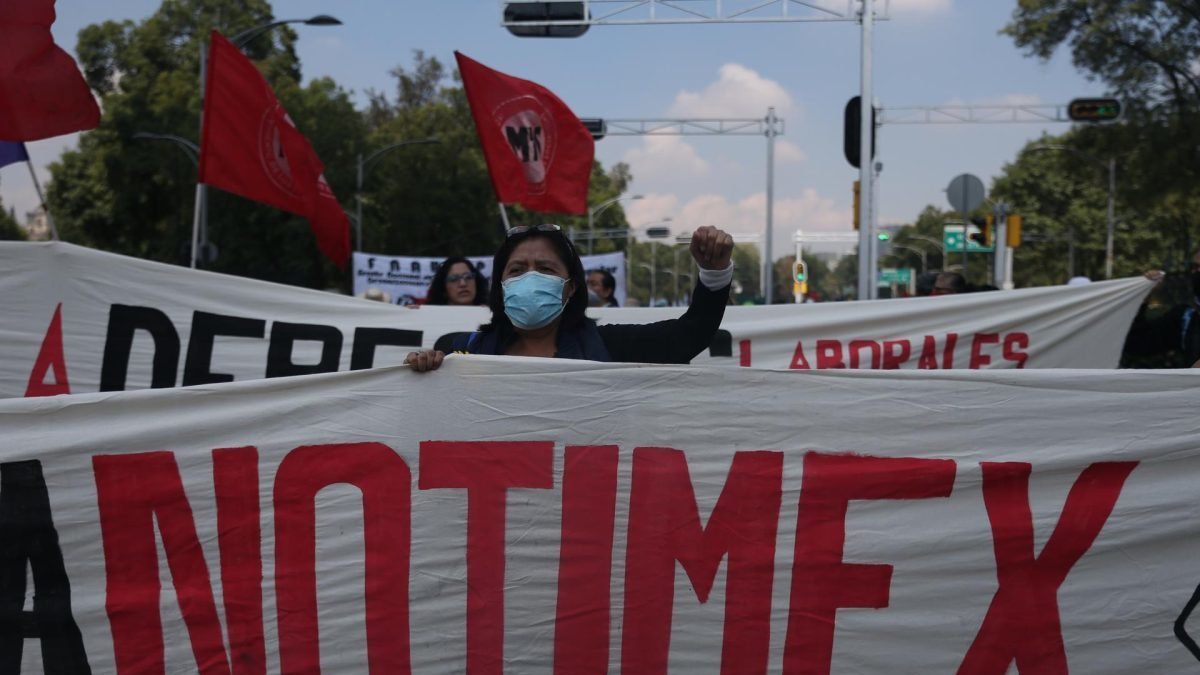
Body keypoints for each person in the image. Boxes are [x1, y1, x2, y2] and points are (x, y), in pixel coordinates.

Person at [405, 224, 734, 371]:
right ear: (500, 285)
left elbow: (688, 336)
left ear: (571, 286)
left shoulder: (610, 347)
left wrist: (714, 273)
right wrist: (423, 370)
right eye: (517, 270)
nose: (530, 278)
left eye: (545, 269)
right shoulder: (461, 352)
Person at [424, 256, 488, 306]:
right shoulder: (428, 317)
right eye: (454, 279)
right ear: (443, 289)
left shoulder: (492, 312)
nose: (463, 284)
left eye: (468, 277)